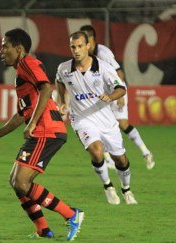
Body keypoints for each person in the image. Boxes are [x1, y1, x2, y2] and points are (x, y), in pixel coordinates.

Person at [0, 28, 84, 240]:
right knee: (15, 181)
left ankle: (71, 214)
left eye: (5, 46)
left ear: (19, 49)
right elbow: (21, 115)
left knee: (21, 182)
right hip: (41, 130)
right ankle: (43, 229)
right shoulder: (21, 72)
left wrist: (33, 124)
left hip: (46, 130)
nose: (1, 50)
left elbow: (47, 88)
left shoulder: (29, 63)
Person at [56, 31, 137, 205]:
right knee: (96, 150)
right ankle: (108, 187)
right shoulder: (63, 68)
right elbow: (59, 81)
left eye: (79, 46)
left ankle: (126, 189)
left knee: (120, 159)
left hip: (106, 120)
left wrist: (111, 97)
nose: (76, 50)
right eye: (73, 47)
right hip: (82, 119)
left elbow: (121, 88)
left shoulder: (104, 68)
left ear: (87, 46)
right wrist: (62, 101)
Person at [80, 25, 155, 170]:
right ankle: (107, 159)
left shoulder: (103, 53)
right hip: (102, 96)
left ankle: (146, 153)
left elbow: (119, 72)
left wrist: (119, 93)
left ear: (91, 39)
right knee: (97, 125)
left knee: (123, 124)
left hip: (115, 92)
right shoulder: (85, 57)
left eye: (84, 39)